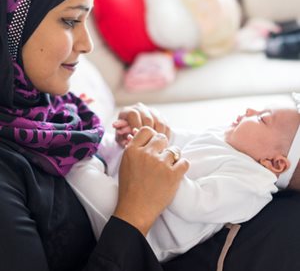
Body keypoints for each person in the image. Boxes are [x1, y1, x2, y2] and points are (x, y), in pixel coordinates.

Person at [2, 0, 300, 271]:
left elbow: (104, 151)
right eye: (69, 21)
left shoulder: (42, 102)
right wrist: (136, 211)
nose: (88, 44)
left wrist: (139, 139)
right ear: (12, 21)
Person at [66, 103, 300, 261]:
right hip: (137, 180)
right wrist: (146, 133)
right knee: (103, 142)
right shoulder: (228, 138)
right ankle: (82, 135)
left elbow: (196, 204)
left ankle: (69, 152)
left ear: (274, 163)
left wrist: (160, 165)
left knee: (79, 170)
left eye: (261, 118)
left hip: (141, 229)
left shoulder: (251, 185)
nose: (250, 110)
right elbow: (177, 138)